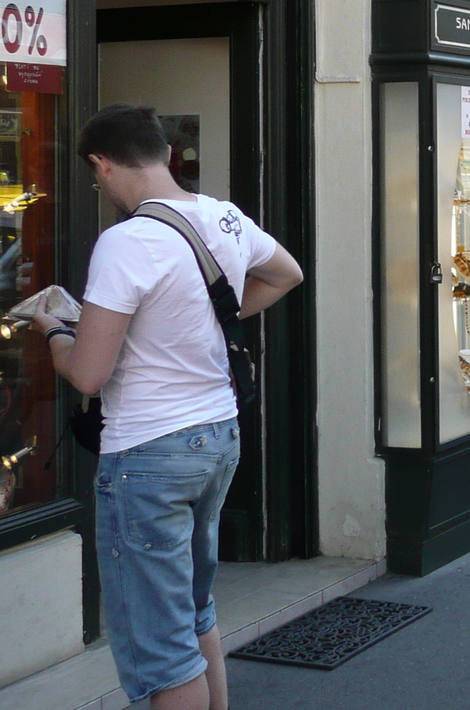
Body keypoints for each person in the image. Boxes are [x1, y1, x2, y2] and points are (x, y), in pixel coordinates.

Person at [32, 104, 302, 710]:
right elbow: (287, 273)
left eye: (96, 175)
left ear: (102, 164)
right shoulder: (224, 218)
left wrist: (53, 331)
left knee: (161, 647)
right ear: (163, 154)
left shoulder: (126, 242)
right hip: (216, 436)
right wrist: (217, 317)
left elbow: (89, 373)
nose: (99, 185)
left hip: (148, 452)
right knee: (193, 609)